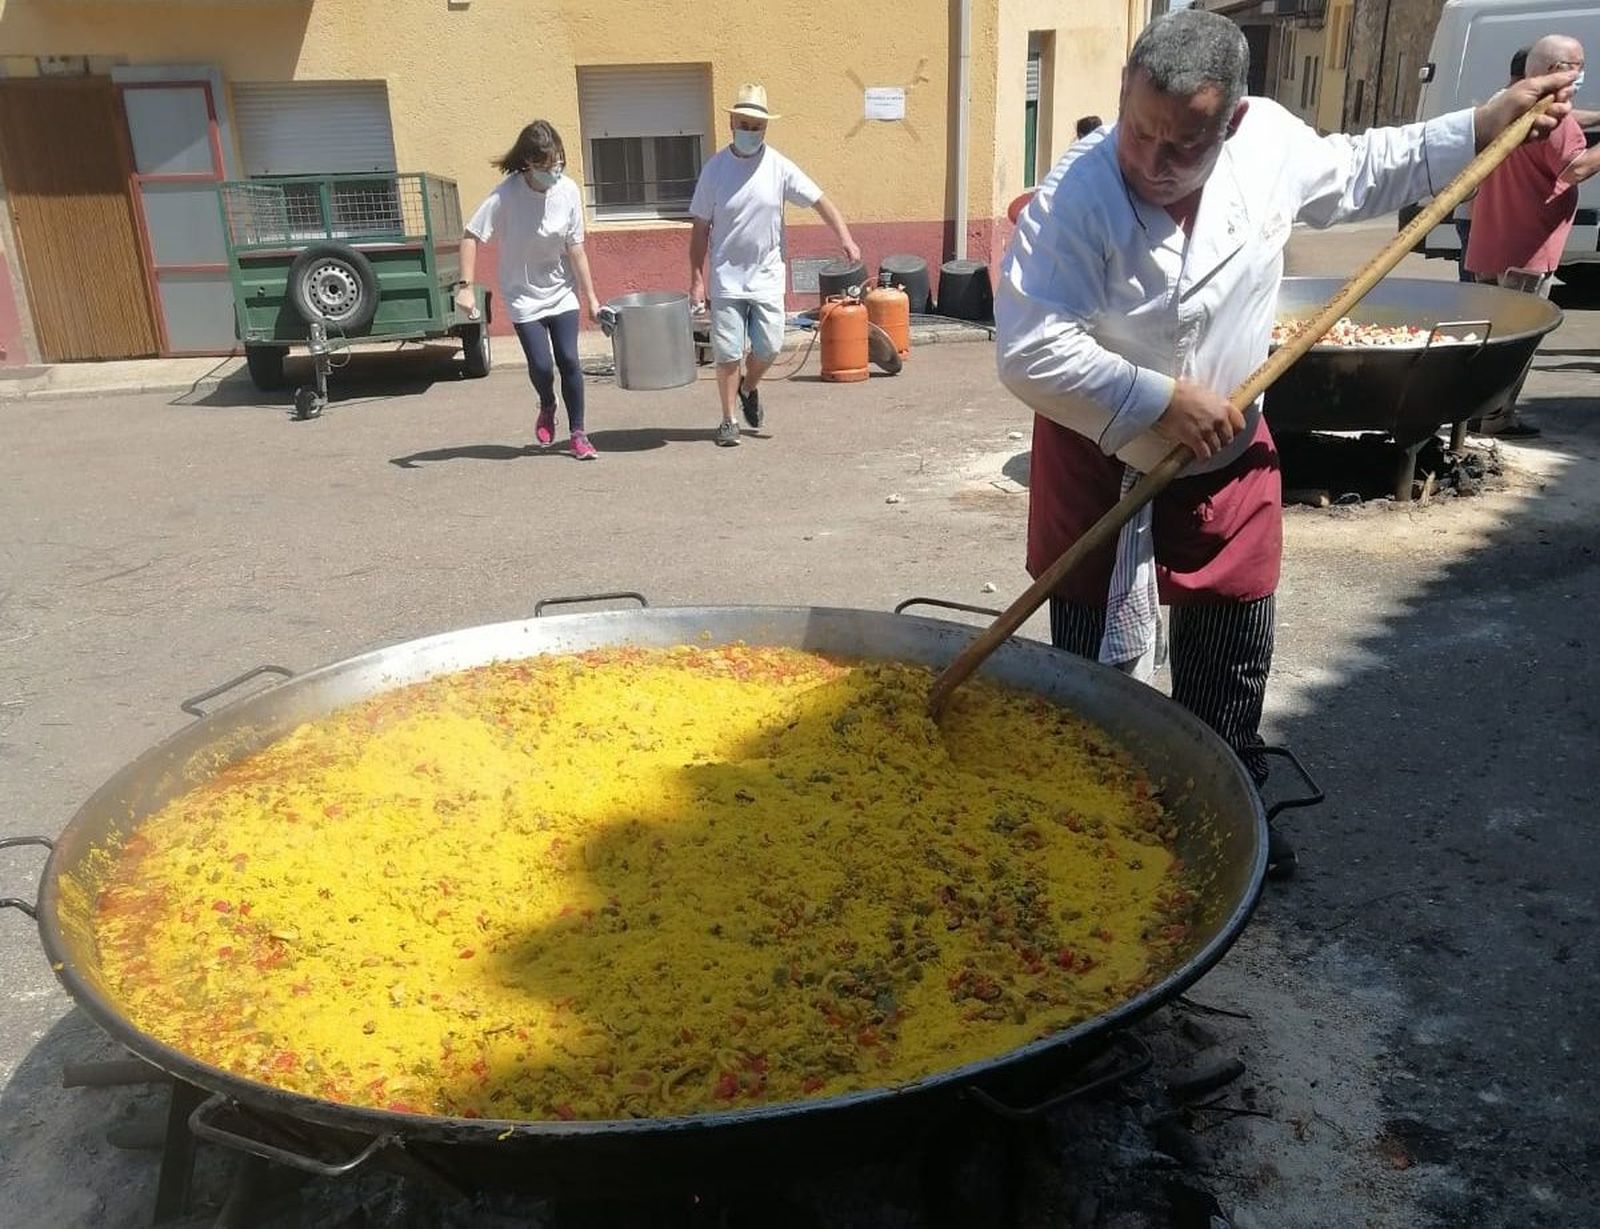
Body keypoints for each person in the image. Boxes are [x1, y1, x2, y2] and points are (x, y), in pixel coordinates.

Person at [995, 9, 1574, 873]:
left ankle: (1229, 816)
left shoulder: (1267, 144)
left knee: (1229, 640)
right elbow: (1032, 349)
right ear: (1122, 95)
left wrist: (1483, 124)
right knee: (1086, 650)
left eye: (1180, 144)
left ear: (1230, 121)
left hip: (1227, 448)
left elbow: (1369, 166)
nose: (1150, 162)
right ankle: (1093, 819)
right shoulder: (1073, 198)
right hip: (1101, 452)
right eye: (1138, 130)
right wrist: (1158, 398)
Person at [689, 85, 860, 447]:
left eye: (757, 126)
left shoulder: (778, 167)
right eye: (745, 124)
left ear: (765, 129)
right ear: (732, 122)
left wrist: (844, 237)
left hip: (766, 275)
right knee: (728, 352)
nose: (750, 131)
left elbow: (819, 200)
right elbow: (701, 228)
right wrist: (697, 279)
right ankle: (728, 420)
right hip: (727, 278)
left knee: (768, 347)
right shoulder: (715, 170)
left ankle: (749, 388)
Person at [1465, 35, 1589, 438]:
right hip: (1530, 245)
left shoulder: (1505, 104)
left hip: (1490, 239)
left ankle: (1471, 412)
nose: (1581, 73)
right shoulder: (1558, 121)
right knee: (1518, 337)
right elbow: (1574, 169)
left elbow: (1567, 122)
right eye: (1578, 65)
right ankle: (1498, 418)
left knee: (1486, 335)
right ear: (1556, 71)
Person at [459, 120, 603, 460]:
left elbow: (576, 248)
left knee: (568, 359)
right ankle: (548, 403)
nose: (554, 170)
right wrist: (464, 288)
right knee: (541, 366)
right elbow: (470, 236)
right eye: (546, 165)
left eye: (558, 162)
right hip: (523, 294)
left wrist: (592, 299)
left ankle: (579, 434)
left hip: (561, 290)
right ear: (527, 163)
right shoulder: (505, 195)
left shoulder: (568, 191)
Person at [1455, 47, 1532, 283]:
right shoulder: (1507, 106)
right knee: (1478, 297)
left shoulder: (1500, 103)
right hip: (1481, 217)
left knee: (1479, 295)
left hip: (1481, 215)